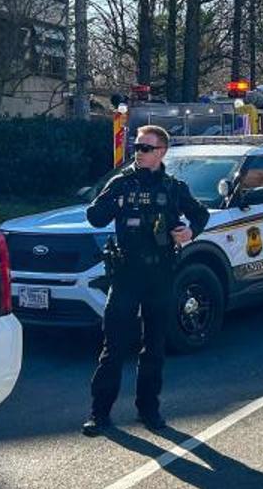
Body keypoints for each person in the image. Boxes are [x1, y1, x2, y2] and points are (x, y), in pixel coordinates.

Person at [82, 125, 209, 436]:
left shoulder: (172, 187)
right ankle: (100, 414)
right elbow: (95, 216)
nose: (138, 152)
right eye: (137, 147)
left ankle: (149, 410)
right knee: (114, 347)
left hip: (160, 274)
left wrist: (190, 232)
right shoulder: (121, 184)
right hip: (126, 275)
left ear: (161, 152)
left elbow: (200, 214)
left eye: (145, 148)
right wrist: (116, 201)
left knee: (154, 346)